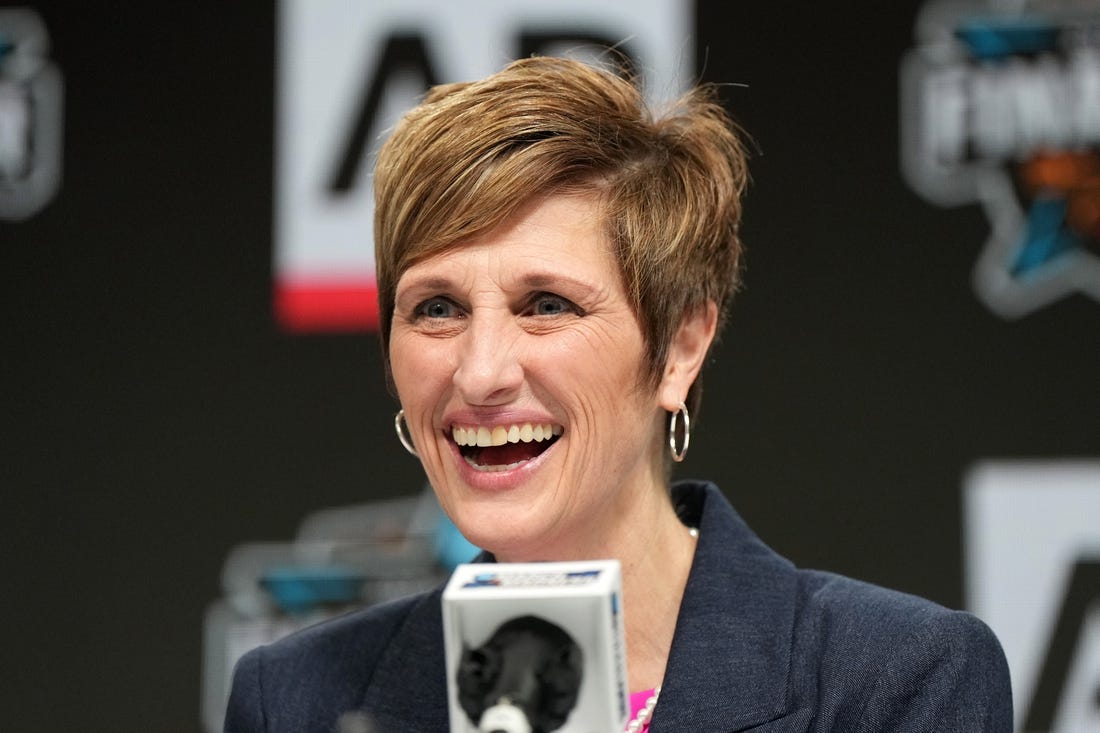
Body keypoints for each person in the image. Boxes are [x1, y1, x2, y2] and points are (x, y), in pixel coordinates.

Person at [224, 56, 1012, 732]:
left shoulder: (896, 682)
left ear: (679, 348)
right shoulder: (295, 699)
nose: (479, 373)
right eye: (437, 308)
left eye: (547, 305)